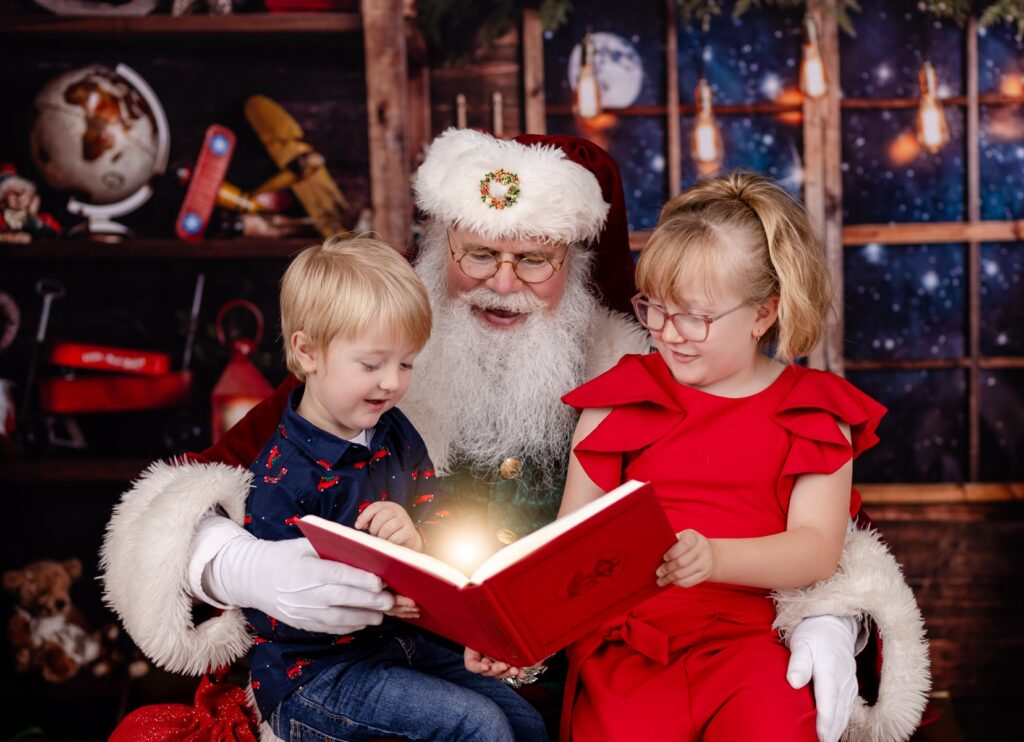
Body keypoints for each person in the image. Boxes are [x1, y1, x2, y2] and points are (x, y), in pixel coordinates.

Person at [101, 129, 927, 742]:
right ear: (441, 246)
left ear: (575, 263)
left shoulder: (644, 362)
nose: (502, 284)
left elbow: (819, 525)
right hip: (371, 667)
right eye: (478, 254)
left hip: (577, 674)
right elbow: (190, 486)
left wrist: (830, 614)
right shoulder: (380, 357)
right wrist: (240, 564)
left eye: (534, 260)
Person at [553, 170, 926, 741]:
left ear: (762, 314)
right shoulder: (618, 398)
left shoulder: (812, 412)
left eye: (695, 316)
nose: (667, 333)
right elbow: (569, 542)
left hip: (754, 648)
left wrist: (716, 559)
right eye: (654, 307)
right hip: (629, 648)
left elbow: (816, 549)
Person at [240, 236, 546, 741]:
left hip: (401, 646)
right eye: (371, 364)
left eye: (405, 364)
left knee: (524, 721)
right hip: (316, 675)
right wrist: (379, 591)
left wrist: (419, 540)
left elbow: (440, 511)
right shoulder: (282, 473)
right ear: (308, 351)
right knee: (479, 725)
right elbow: (273, 608)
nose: (391, 382)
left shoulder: (394, 431)